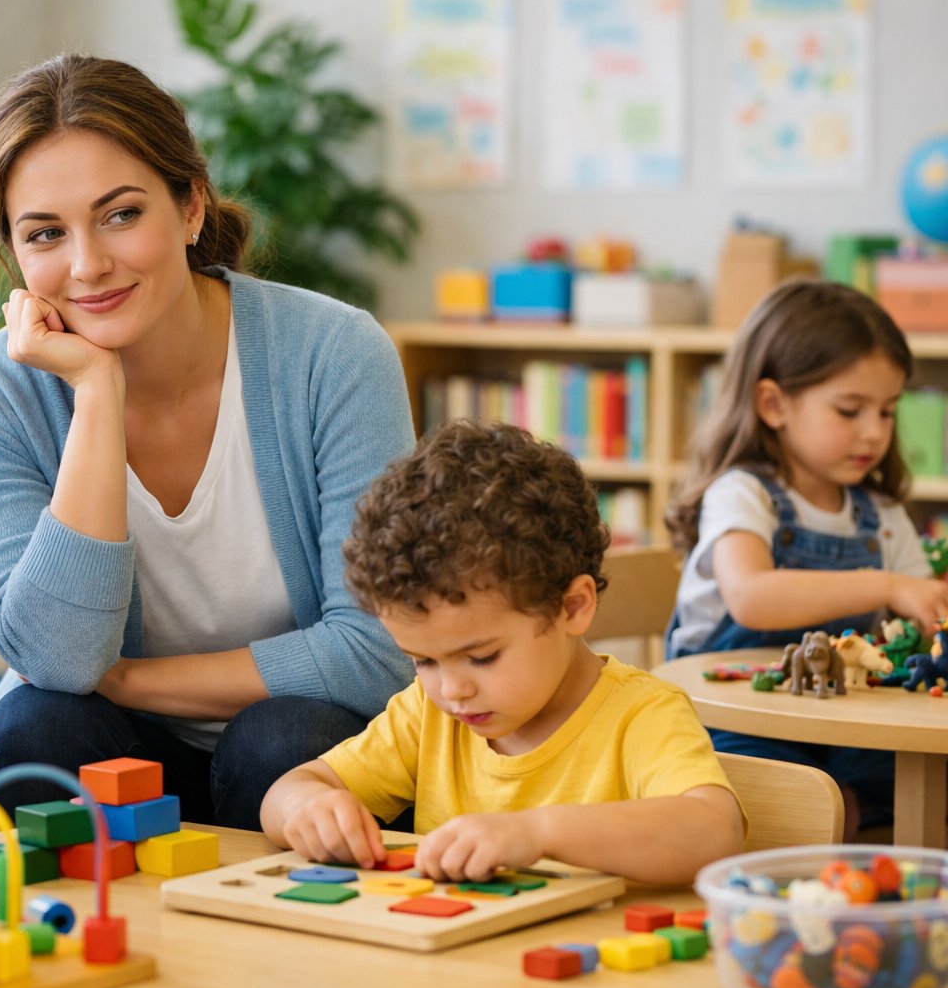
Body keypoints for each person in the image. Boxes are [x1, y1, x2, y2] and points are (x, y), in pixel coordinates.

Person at [0, 54, 415, 827]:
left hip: (297, 744)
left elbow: (376, 649)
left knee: (278, 741)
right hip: (108, 745)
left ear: (190, 207)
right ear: (13, 254)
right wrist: (97, 392)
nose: (88, 265)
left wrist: (127, 680)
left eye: (121, 215)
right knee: (36, 731)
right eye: (46, 233)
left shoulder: (334, 353)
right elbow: (57, 661)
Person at [261, 420, 744, 885]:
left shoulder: (642, 715)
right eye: (424, 661)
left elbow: (714, 830)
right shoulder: (428, 717)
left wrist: (538, 833)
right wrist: (308, 808)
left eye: (482, 657)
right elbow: (292, 789)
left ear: (571, 607)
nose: (453, 690)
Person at [665, 279, 946, 836]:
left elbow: (925, 614)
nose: (874, 433)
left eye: (887, 412)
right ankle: (834, 824)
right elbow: (751, 598)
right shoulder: (743, 494)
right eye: (850, 410)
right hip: (729, 721)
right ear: (773, 405)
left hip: (840, 723)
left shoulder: (882, 513)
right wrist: (886, 585)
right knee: (780, 788)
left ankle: (846, 826)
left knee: (920, 773)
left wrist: (926, 616)